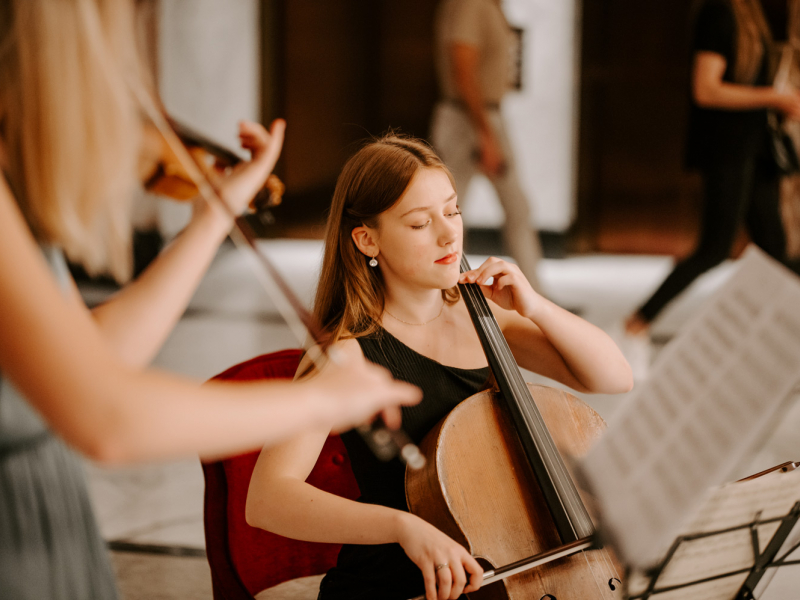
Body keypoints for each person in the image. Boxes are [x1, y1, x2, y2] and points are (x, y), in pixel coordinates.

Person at [0, 1, 420, 598]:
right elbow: (104, 416)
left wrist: (218, 211)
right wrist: (315, 402)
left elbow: (98, 351)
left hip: (42, 516)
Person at [245, 135, 633, 600]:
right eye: (419, 224)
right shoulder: (347, 353)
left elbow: (613, 377)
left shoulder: (487, 320)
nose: (449, 235)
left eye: (452, 211)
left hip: (503, 575)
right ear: (368, 239)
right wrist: (402, 526)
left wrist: (537, 307)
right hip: (398, 586)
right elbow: (267, 499)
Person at [626, 0, 800, 336]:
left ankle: (760, 336)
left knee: (774, 250)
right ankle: (636, 323)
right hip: (727, 149)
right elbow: (706, 89)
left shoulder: (753, 17)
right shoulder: (719, 12)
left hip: (755, 149)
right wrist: (771, 97)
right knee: (714, 248)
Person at [430, 0, 544, 292]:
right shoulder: (470, 4)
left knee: (512, 207)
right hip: (468, 117)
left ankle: (532, 292)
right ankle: (440, 289)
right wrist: (485, 134)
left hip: (480, 115)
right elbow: (463, 70)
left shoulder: (487, 5)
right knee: (448, 210)